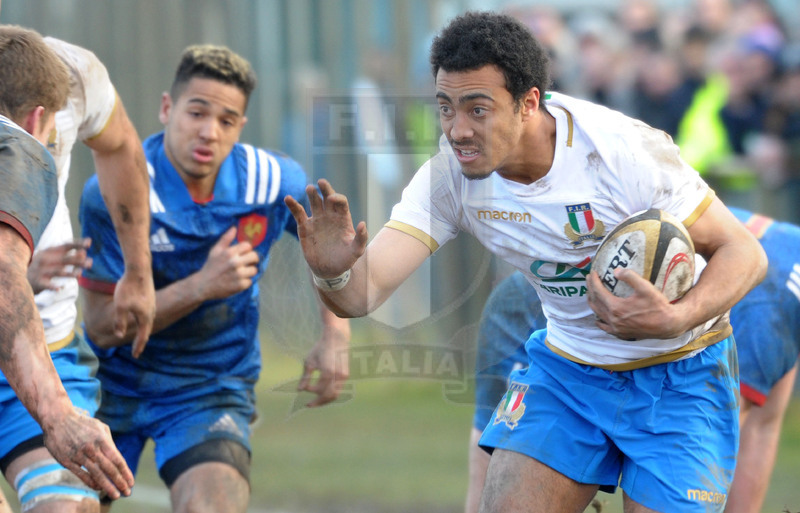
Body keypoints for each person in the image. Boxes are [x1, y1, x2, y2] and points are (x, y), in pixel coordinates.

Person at [284, 11, 767, 513]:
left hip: (681, 374)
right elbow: (361, 294)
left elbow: (744, 253)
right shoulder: (449, 180)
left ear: (529, 102)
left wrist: (675, 317)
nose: (457, 131)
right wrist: (330, 270)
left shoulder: (620, 152)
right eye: (445, 108)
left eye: (477, 109)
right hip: (569, 373)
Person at [78, 44, 351, 513]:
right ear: (167, 109)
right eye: (196, 112)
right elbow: (103, 327)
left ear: (240, 127)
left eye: (226, 120)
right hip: (110, 385)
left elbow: (324, 254)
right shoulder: (113, 192)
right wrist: (201, 286)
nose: (209, 132)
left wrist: (336, 335)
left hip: (209, 386)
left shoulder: (270, 182)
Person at [464, 209, 800, 513]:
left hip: (628, 321)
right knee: (499, 478)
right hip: (540, 305)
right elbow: (719, 432)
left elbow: (763, 424)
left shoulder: (789, 267)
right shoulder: (770, 312)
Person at [0, 24, 135, 507]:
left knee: (67, 502)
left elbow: (121, 147)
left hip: (42, 354)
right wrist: (58, 417)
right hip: (28, 353)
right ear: (39, 120)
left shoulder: (74, 76)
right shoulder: (16, 146)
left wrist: (137, 273)